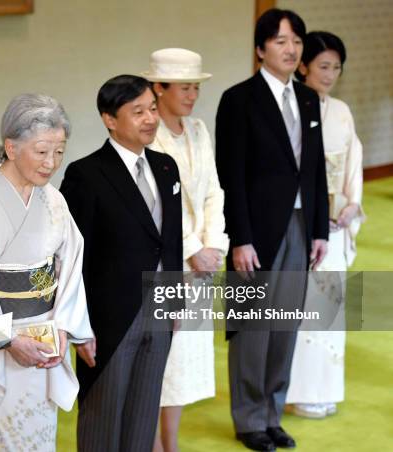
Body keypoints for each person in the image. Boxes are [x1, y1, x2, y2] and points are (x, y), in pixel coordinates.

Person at [215, 9, 329, 451]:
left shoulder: (307, 98)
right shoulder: (238, 99)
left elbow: (314, 170)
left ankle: (271, 414)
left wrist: (320, 230)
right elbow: (232, 176)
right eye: (281, 40)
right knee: (252, 328)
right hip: (255, 232)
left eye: (296, 40)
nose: (291, 48)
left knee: (284, 327)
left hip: (301, 226)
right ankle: (248, 420)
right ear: (261, 48)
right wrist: (239, 238)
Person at [0, 94, 93, 451]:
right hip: (0, 339)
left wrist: (64, 326)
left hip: (44, 335)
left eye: (59, 152)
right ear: (11, 147)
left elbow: (71, 264)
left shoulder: (53, 200)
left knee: (37, 436)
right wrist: (7, 340)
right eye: (42, 151)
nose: (52, 163)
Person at [60, 75, 183, 452]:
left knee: (144, 410)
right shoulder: (86, 175)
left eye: (151, 109)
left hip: (160, 306)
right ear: (109, 119)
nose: (150, 119)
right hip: (110, 317)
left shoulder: (166, 167)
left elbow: (172, 239)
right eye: (137, 112)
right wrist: (79, 325)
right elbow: (72, 258)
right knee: (103, 413)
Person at [142, 48, 229, 452]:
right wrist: (192, 248)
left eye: (196, 87)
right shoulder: (147, 133)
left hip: (201, 262)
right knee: (161, 353)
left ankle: (169, 442)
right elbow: (158, 204)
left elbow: (213, 189)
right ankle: (153, 442)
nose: (192, 95)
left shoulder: (197, 129)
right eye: (184, 87)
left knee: (184, 360)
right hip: (166, 260)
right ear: (158, 88)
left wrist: (213, 244)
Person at [285, 31, 364, 419]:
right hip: (300, 219)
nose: (330, 74)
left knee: (329, 308)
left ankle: (323, 388)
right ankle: (291, 389)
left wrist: (352, 205)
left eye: (336, 67)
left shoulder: (342, 112)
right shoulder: (293, 108)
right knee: (298, 307)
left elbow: (353, 164)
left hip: (334, 224)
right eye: (323, 66)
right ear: (303, 67)